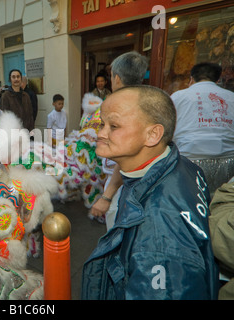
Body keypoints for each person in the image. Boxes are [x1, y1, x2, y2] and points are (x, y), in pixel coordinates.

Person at [81, 85, 219, 300]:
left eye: (113, 126)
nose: (101, 133)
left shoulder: (157, 228)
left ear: (153, 134)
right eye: (102, 124)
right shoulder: (181, 165)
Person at [90, 51, 149, 230]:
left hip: (125, 182)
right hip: (147, 179)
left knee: (118, 229)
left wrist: (107, 196)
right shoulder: (150, 100)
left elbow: (124, 156)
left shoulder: (121, 106)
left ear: (116, 78)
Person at [171, 62, 234, 194]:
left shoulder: (179, 96)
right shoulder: (231, 97)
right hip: (228, 162)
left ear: (191, 79)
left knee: (190, 199)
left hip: (188, 159)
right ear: (217, 80)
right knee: (218, 202)